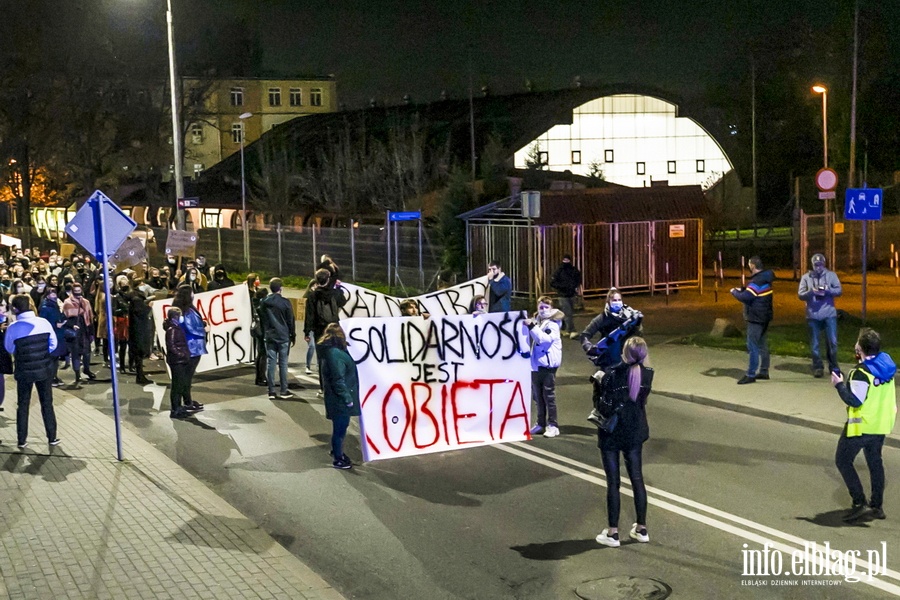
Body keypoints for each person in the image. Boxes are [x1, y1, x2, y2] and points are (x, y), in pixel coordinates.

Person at [831, 328, 896, 521]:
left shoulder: (860, 373)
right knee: (875, 463)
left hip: (862, 427)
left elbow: (855, 400)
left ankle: (859, 503)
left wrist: (839, 385)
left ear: (860, 348)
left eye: (857, 342)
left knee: (842, 460)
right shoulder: (886, 363)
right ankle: (877, 506)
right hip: (881, 424)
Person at [595, 337, 654, 547]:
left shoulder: (611, 374)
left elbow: (604, 407)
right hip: (635, 432)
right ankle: (642, 528)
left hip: (612, 434)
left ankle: (612, 533)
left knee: (613, 482)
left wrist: (597, 384)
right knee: (637, 478)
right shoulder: (647, 374)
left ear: (625, 353)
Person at [5, 294, 60, 448]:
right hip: (44, 369)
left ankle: (22, 440)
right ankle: (52, 437)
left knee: (23, 404)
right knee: (47, 403)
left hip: (24, 370)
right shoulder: (43, 323)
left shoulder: (13, 328)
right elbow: (53, 344)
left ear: (15, 309)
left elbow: (9, 348)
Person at [318, 322, 360, 470]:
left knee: (340, 428)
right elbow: (338, 379)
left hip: (336, 398)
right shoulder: (335, 354)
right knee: (340, 430)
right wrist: (348, 399)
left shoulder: (332, 351)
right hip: (339, 400)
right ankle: (338, 458)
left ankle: (337, 451)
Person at [522, 296, 563, 438]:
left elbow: (544, 340)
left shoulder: (552, 325)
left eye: (546, 307)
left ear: (551, 309)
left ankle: (553, 425)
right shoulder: (538, 322)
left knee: (548, 396)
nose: (543, 310)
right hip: (536, 365)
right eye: (541, 307)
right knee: (538, 396)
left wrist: (531, 326)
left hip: (548, 365)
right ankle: (540, 424)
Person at [730, 256, 774, 385]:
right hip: (765, 316)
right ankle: (764, 371)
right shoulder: (766, 278)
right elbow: (754, 293)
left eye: (750, 265)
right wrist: (743, 290)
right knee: (763, 345)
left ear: (753, 266)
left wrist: (734, 292)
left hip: (756, 318)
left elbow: (747, 297)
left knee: (752, 346)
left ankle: (750, 374)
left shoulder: (756, 281)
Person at [304, 268, 348, 393]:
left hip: (320, 330)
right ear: (328, 279)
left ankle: (324, 388)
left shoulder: (312, 295)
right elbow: (343, 302)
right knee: (336, 357)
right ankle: (337, 385)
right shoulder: (335, 293)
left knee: (322, 359)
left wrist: (307, 332)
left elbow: (310, 315)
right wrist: (339, 289)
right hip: (334, 328)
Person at [798, 253, 842, 378]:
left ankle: (834, 366)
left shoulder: (831, 275)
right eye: (816, 265)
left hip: (829, 314)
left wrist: (828, 291)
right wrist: (811, 292)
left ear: (824, 264)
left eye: (820, 265)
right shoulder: (806, 277)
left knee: (832, 342)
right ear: (812, 265)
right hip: (813, 315)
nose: (818, 267)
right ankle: (817, 366)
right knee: (815, 344)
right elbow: (800, 294)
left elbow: (839, 291)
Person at [579, 288, 643, 372]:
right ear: (608, 302)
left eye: (619, 300)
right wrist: (588, 347)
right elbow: (585, 335)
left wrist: (638, 324)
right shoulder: (602, 318)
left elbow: (638, 335)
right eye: (614, 300)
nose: (617, 302)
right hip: (609, 359)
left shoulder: (629, 316)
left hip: (627, 357)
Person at [257, 277, 296, 400]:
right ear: (281, 289)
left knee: (271, 363)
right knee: (283, 364)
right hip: (283, 336)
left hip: (270, 335)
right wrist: (292, 334)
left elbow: (262, 318)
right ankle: (284, 390)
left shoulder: (264, 302)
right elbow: (290, 320)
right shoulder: (285, 302)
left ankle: (271, 391)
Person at [172, 285, 206, 412]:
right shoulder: (186, 311)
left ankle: (187, 401)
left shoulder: (185, 309)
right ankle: (185, 403)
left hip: (192, 347)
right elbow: (190, 327)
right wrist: (203, 329)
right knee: (186, 377)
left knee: (187, 377)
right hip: (191, 347)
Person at [62, 282, 96, 384]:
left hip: (84, 329)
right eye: (75, 291)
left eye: (79, 291)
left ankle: (86, 369)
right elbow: (64, 318)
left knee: (86, 352)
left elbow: (90, 317)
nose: (77, 293)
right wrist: (71, 325)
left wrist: (91, 331)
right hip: (74, 330)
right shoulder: (67, 302)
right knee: (76, 353)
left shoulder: (85, 302)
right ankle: (77, 374)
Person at [163, 307, 193, 419]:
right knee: (177, 385)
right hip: (177, 361)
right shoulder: (172, 329)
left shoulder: (175, 327)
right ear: (175, 317)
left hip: (179, 360)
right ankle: (175, 409)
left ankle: (178, 407)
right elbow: (171, 346)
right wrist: (182, 354)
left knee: (179, 384)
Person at [38, 286, 67, 387]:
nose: (54, 295)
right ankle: (51, 377)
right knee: (52, 358)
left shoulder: (55, 305)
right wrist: (55, 325)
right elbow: (44, 321)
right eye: (51, 293)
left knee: (55, 358)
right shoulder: (46, 307)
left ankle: (54, 375)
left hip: (58, 334)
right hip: (52, 335)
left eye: (54, 293)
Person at [550, 254, 582, 338]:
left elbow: (578, 279)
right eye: (565, 260)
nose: (566, 261)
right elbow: (553, 282)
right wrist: (562, 287)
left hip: (571, 294)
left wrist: (574, 286)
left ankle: (563, 327)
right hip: (563, 295)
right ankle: (571, 330)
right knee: (568, 313)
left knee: (567, 312)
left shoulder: (573, 270)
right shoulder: (559, 271)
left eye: (567, 260)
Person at [128, 286, 154, 385]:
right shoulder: (137, 300)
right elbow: (140, 312)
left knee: (138, 355)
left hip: (136, 331)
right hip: (138, 331)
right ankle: (140, 377)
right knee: (139, 354)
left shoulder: (135, 300)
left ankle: (140, 376)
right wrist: (149, 307)